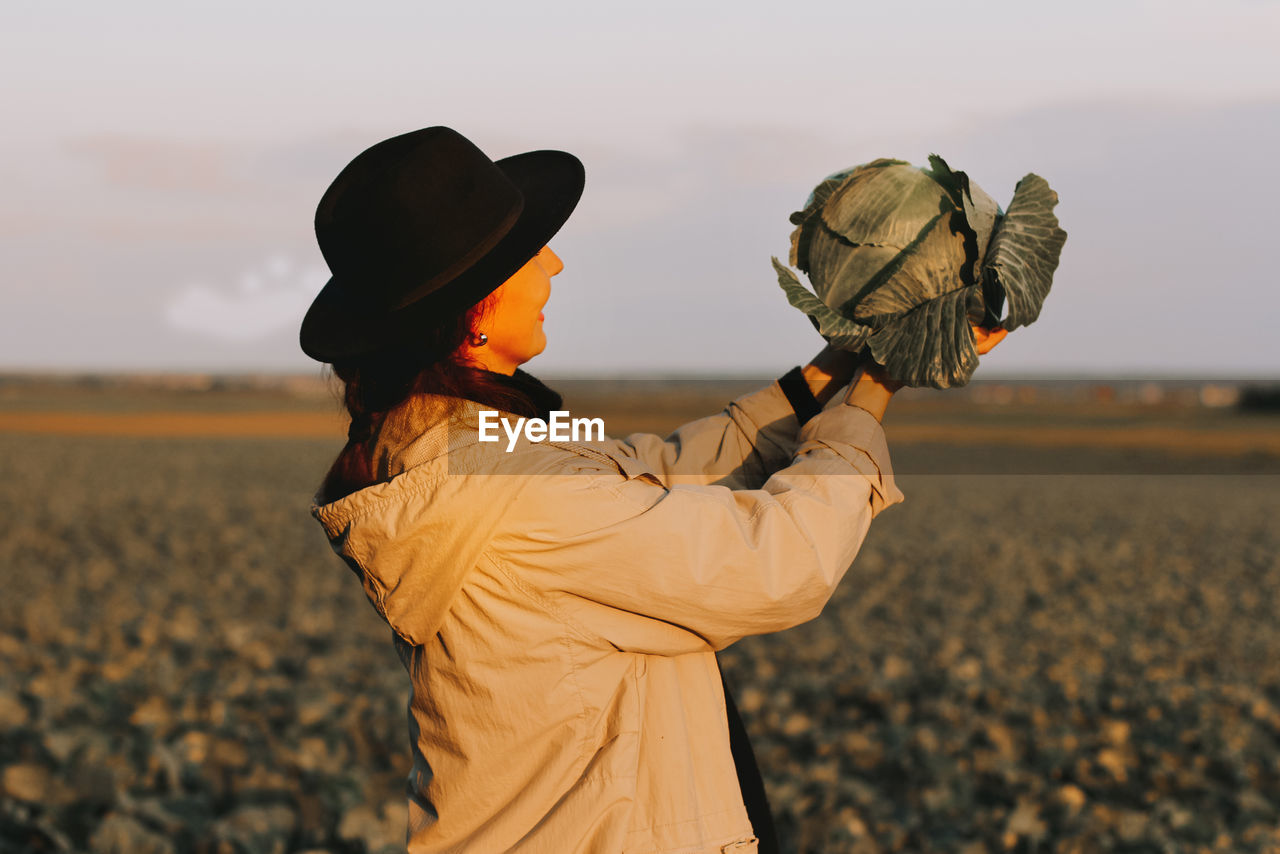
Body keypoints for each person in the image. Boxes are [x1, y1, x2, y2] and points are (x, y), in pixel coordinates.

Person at [300, 127, 1007, 854]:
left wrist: (836, 365)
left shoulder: (450, 445)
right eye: (527, 253)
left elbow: (654, 469)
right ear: (473, 314)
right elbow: (774, 564)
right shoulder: (512, 488)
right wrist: (879, 389)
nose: (554, 261)